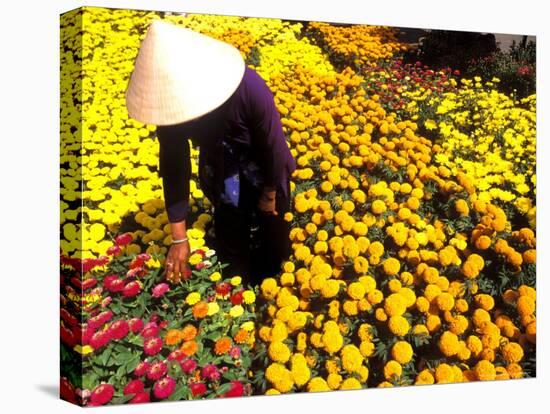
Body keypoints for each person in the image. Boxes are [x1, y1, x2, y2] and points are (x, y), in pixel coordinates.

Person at [125, 19, 296, 286]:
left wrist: (270, 194)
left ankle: (273, 282)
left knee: (275, 234)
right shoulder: (171, 108)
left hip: (263, 167)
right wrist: (179, 237)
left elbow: (274, 148)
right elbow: (174, 166)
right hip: (221, 167)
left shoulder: (249, 87)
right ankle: (237, 291)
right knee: (230, 236)